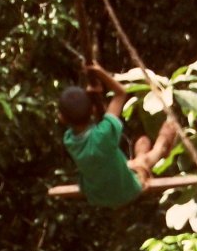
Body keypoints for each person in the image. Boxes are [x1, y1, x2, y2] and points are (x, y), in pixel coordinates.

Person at [59, 62, 178, 208]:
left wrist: (91, 96)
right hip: (126, 190)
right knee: (142, 162)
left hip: (97, 194)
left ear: (62, 118)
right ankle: (162, 145)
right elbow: (121, 93)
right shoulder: (104, 134)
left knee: (137, 154)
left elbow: (87, 123)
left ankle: (143, 154)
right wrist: (100, 71)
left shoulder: (69, 140)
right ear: (91, 111)